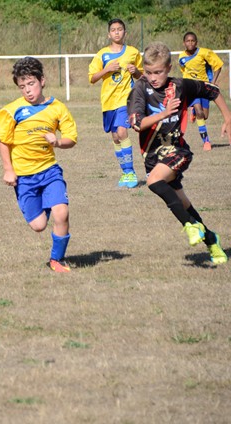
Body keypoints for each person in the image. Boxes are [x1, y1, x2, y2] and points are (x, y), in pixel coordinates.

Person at [127, 41, 230, 264]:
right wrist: (163, 114)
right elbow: (137, 124)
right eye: (149, 72)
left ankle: (189, 226)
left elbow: (212, 91)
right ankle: (211, 239)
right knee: (183, 204)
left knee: (154, 181)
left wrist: (228, 118)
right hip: (153, 156)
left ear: (169, 68)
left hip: (178, 151)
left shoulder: (180, 86)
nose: (153, 77)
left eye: (158, 72)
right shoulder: (140, 89)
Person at [0, 57, 78, 273]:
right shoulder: (12, 111)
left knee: (62, 213)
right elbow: (3, 141)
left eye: (31, 84)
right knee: (38, 226)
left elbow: (71, 139)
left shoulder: (57, 108)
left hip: (50, 171)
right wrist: (8, 170)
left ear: (42, 80)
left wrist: (57, 142)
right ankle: (47, 202)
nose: (27, 90)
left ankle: (57, 260)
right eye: (22, 86)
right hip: (24, 177)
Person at [89, 18, 143, 188]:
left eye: (120, 29)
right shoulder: (102, 54)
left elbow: (142, 76)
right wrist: (107, 69)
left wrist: (136, 71)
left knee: (121, 131)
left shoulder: (133, 52)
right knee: (115, 137)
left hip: (126, 100)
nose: (117, 32)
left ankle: (130, 171)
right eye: (113, 30)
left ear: (125, 33)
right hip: (108, 102)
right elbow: (92, 78)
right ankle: (125, 172)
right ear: (109, 34)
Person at [178, 32, 224, 151]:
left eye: (192, 41)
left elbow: (218, 65)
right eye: (188, 41)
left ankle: (194, 111)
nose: (190, 43)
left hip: (204, 87)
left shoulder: (205, 53)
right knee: (200, 112)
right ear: (184, 43)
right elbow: (184, 71)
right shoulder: (181, 57)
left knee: (204, 115)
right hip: (191, 88)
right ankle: (206, 142)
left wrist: (213, 82)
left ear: (196, 42)